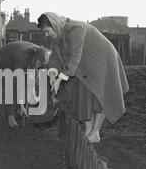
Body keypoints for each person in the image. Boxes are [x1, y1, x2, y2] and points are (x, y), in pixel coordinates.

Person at [37, 12, 129, 143]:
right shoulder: (58, 34)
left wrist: (59, 80)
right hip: (84, 64)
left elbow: (75, 57)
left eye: (47, 31)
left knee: (100, 95)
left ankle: (95, 132)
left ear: (54, 24)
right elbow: (55, 57)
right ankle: (88, 132)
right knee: (83, 96)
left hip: (101, 61)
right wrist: (52, 74)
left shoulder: (75, 28)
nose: (46, 35)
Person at [0, 41, 51, 128]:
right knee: (9, 85)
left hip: (18, 55)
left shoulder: (41, 55)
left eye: (40, 64)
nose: (38, 66)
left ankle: (20, 110)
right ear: (35, 59)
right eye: (38, 63)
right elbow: (18, 83)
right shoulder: (20, 59)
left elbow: (38, 77)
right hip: (3, 59)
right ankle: (10, 116)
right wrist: (21, 105)